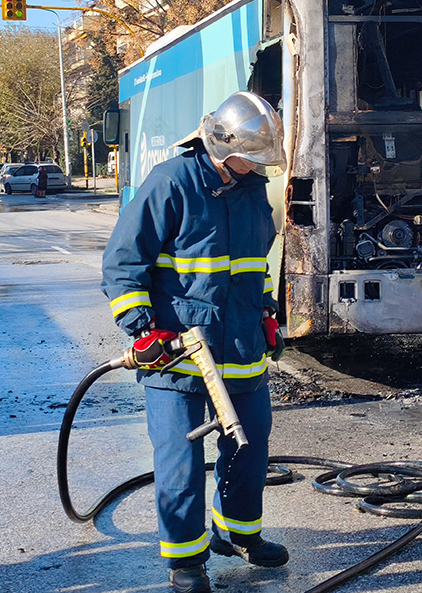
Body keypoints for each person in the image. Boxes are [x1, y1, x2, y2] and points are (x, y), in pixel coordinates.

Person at [102, 92, 287, 593]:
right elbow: (123, 265)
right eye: (252, 158)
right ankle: (186, 561)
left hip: (244, 344)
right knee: (180, 463)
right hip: (179, 351)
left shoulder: (251, 188)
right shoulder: (172, 183)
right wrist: (143, 330)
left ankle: (239, 533)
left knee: (250, 449)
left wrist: (267, 313)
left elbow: (253, 266)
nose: (258, 168)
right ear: (222, 147)